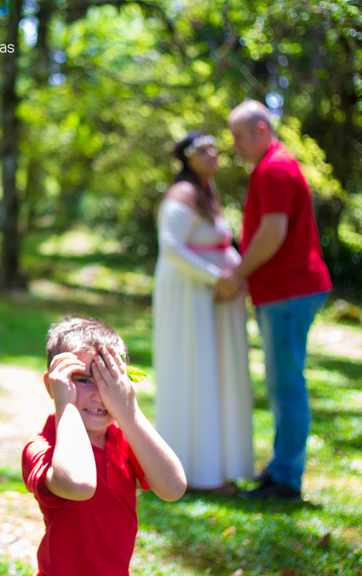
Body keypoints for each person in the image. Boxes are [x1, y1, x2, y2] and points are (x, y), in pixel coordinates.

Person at [22, 317, 186, 576]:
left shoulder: (126, 438)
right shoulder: (43, 448)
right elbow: (79, 485)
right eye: (83, 380)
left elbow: (173, 488)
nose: (99, 395)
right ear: (52, 385)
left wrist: (129, 411)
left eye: (110, 380)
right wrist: (66, 403)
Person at [226, 100, 332, 500]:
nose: (234, 145)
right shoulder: (271, 166)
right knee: (280, 381)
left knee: (286, 384)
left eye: (239, 136)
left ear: (261, 130)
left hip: (290, 291)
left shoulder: (274, 168)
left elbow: (272, 233)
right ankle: (279, 468)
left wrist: (238, 273)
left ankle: (286, 478)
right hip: (284, 291)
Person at [152, 132, 254, 494]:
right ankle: (194, 472)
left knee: (217, 374)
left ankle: (218, 466)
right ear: (187, 158)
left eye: (214, 148)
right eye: (203, 150)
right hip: (190, 296)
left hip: (213, 300)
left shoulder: (208, 193)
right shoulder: (182, 194)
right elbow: (171, 248)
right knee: (196, 372)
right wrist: (216, 278)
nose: (213, 154)